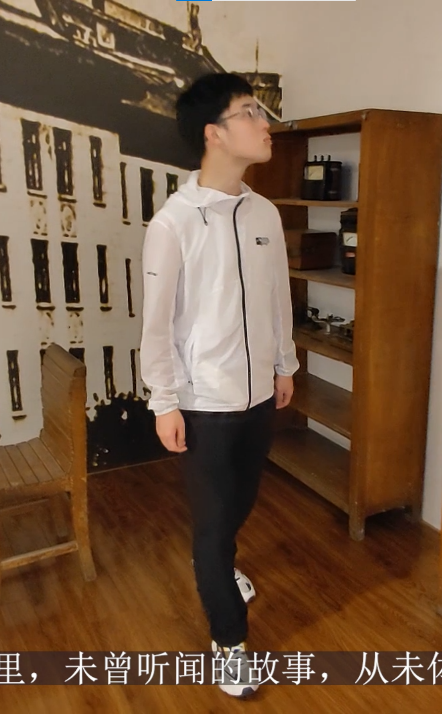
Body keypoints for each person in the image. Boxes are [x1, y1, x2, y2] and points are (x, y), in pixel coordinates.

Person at [139, 73, 299, 699]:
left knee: (240, 506)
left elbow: (279, 298)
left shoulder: (265, 214)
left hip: (259, 394)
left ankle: (219, 568)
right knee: (212, 527)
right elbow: (157, 323)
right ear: (215, 134)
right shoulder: (173, 223)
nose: (265, 123)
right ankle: (229, 641)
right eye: (251, 112)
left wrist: (284, 364)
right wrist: (164, 401)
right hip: (204, 402)